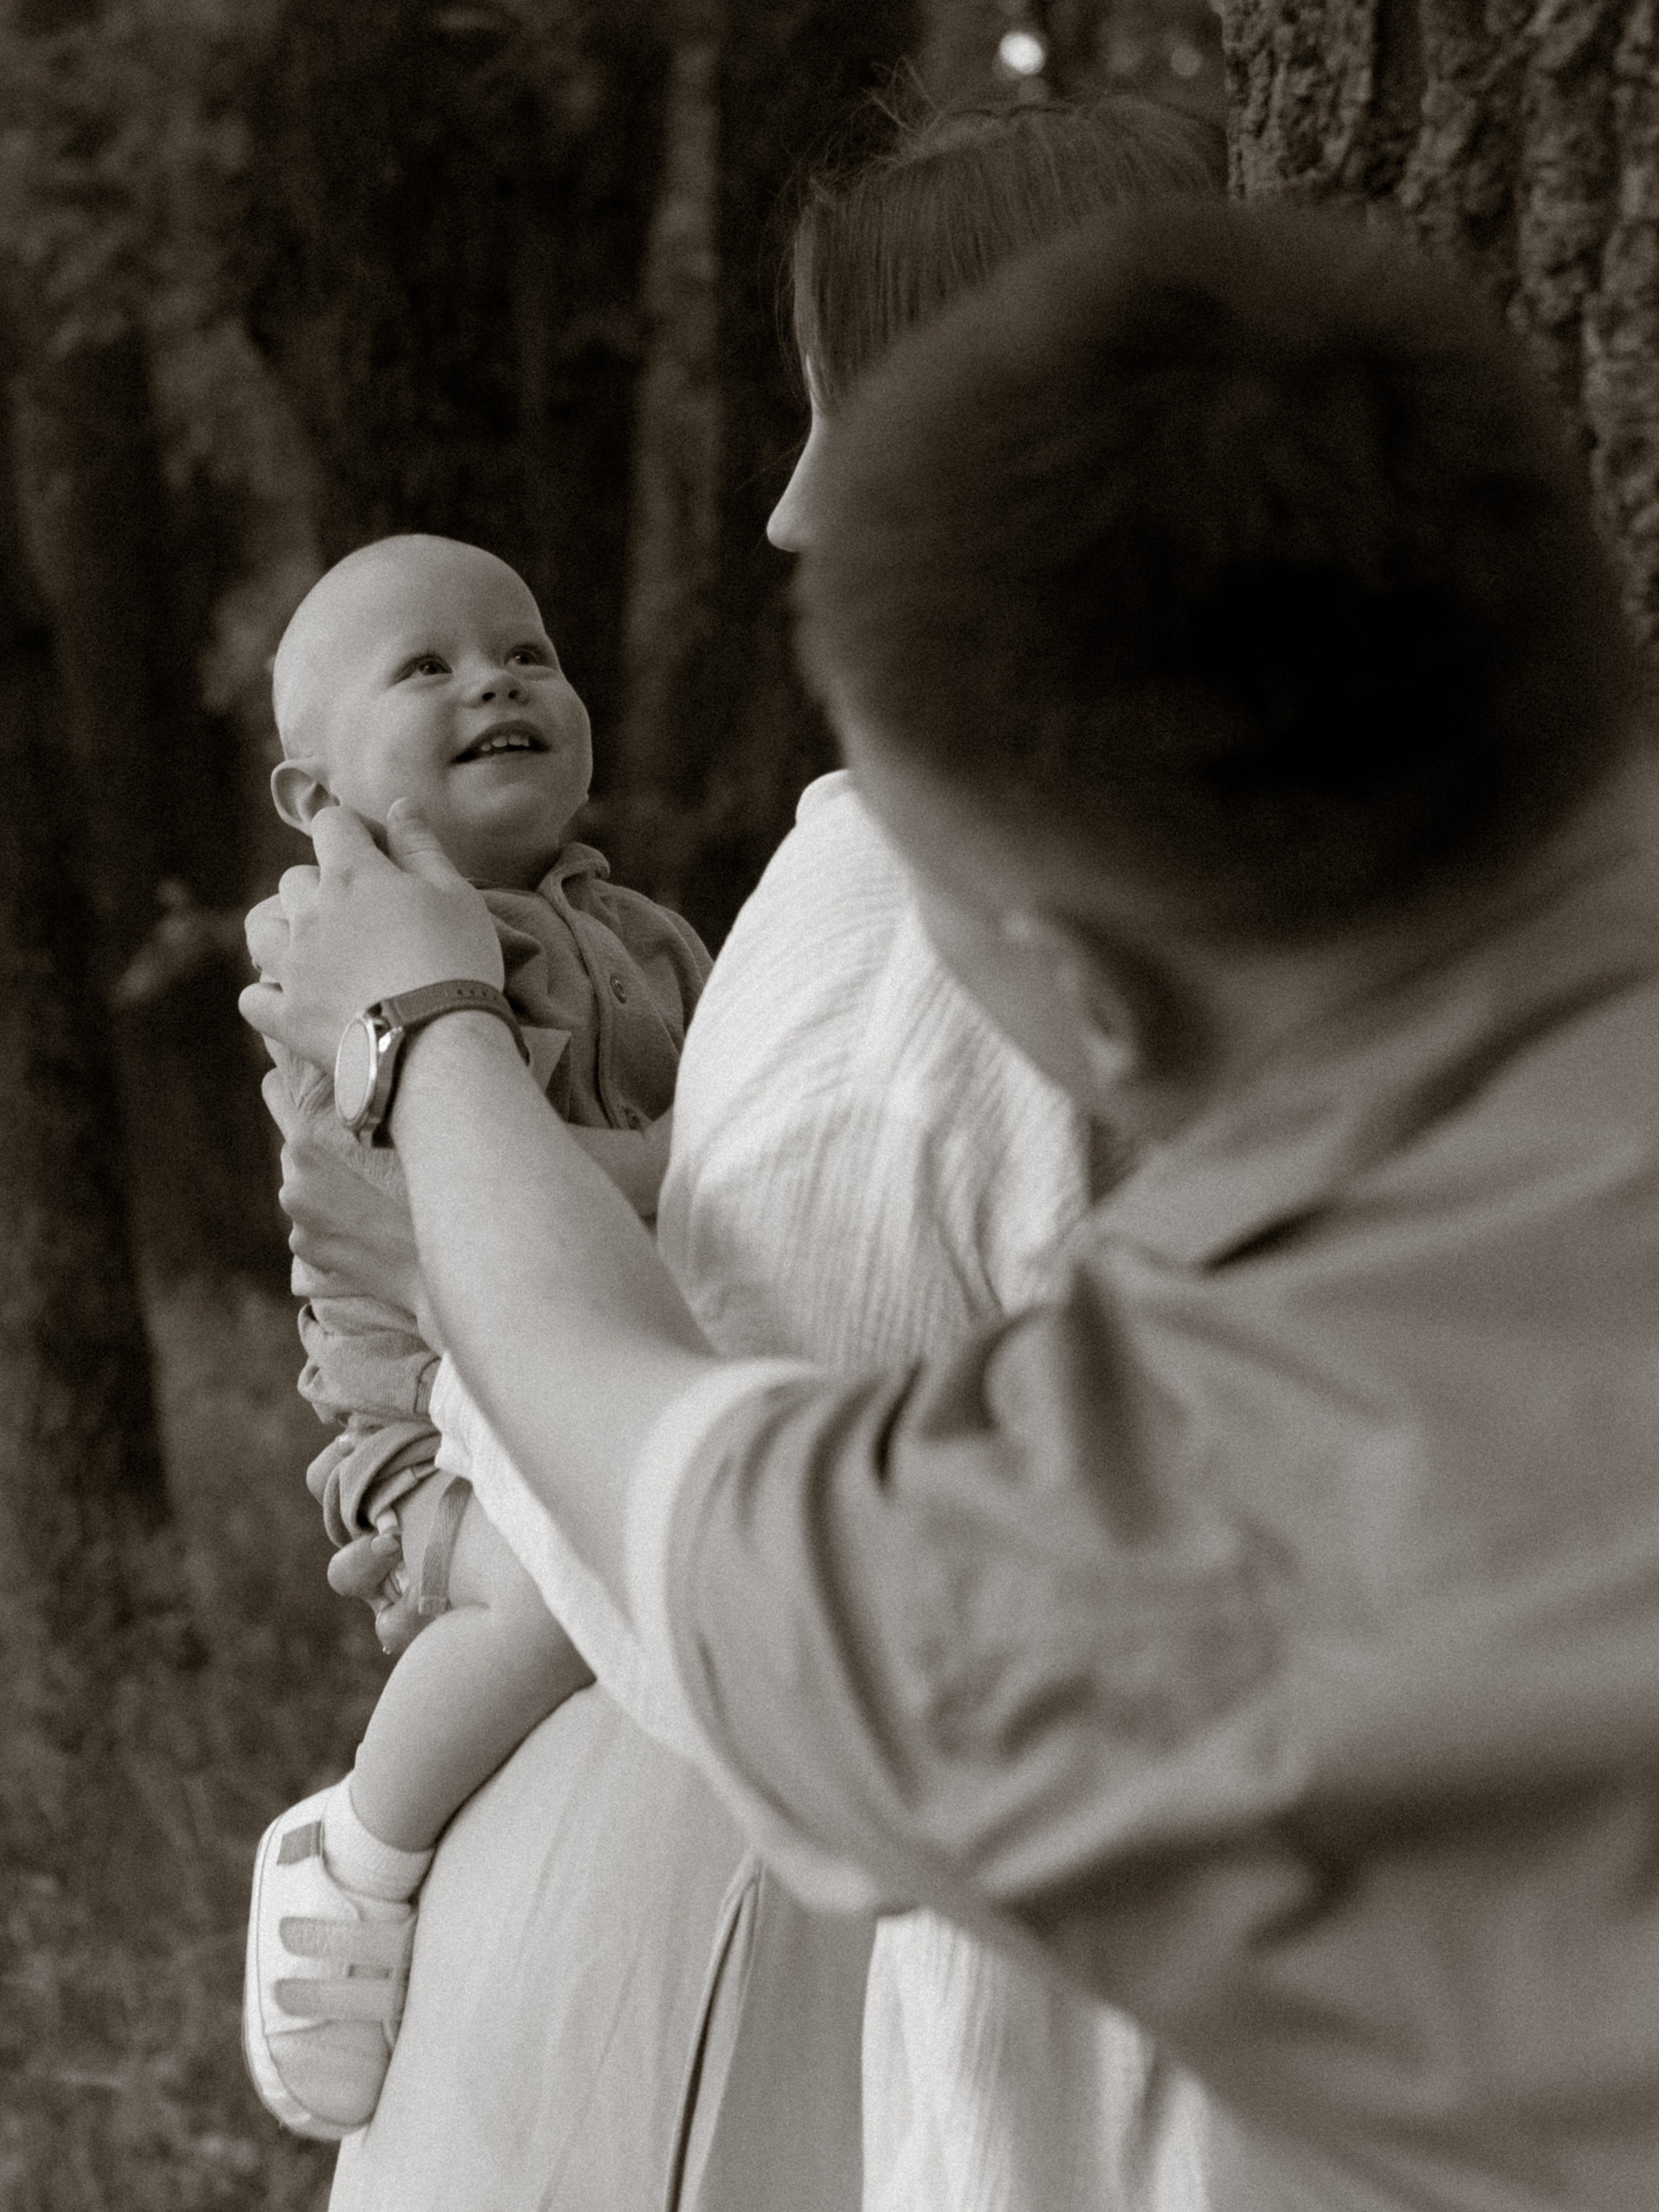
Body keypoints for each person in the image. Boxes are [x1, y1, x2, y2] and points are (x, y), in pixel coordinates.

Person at [245, 197, 1659, 2209]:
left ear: (1075, 991)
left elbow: (668, 1488)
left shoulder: (1155, 1514)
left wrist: (423, 1032)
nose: (782, 506)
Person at [662, 93, 1220, 2212]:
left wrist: (422, 1063)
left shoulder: (925, 945)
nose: (791, 515)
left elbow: (735, 1576)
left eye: (842, 419)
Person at [243, 532, 708, 2141]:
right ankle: (360, 1851)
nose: (493, 679)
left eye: (523, 650)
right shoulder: (332, 977)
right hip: (437, 1429)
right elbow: (470, 1200)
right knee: (556, 1587)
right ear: (319, 804)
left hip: (608, 1370)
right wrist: (692, 1176)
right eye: (424, 667)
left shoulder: (645, 937)